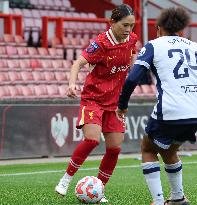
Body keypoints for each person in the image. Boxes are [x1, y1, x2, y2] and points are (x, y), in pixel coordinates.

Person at [117, 7, 197, 205]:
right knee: (169, 150)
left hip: (171, 109)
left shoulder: (153, 46)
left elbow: (131, 79)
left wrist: (122, 105)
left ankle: (158, 200)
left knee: (147, 147)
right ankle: (178, 198)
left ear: (158, 28)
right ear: (181, 31)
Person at [55, 4, 137, 203]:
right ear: (112, 23)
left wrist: (133, 71)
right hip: (93, 99)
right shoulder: (100, 43)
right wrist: (72, 84)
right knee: (92, 139)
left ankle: (98, 190)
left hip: (115, 103)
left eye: (132, 26)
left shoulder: (132, 39)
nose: (128, 29)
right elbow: (78, 63)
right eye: (124, 25)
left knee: (115, 148)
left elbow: (133, 52)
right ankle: (65, 180)